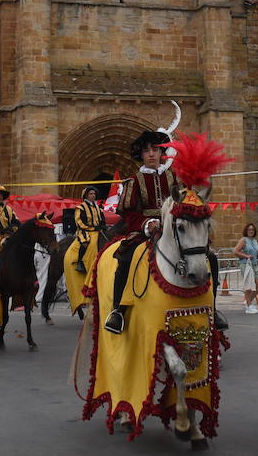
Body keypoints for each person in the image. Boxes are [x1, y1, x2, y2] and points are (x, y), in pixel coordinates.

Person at [103, 128, 178, 335]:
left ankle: (212, 308)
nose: (151, 154)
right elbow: (128, 214)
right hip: (144, 231)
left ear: (162, 153)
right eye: (147, 151)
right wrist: (148, 224)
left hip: (174, 229)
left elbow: (184, 203)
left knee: (208, 256)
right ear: (141, 155)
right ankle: (117, 311)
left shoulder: (174, 178)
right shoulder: (134, 181)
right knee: (125, 258)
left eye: (155, 149)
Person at [71, 186, 105, 275]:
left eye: (94, 194)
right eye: (91, 194)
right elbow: (79, 222)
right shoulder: (81, 207)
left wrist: (102, 226)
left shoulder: (98, 207)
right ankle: (80, 263)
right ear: (86, 195)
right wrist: (93, 228)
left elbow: (102, 219)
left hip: (97, 230)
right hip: (85, 231)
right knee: (86, 242)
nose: (93, 195)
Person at [234, 223, 258, 314]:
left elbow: (256, 253)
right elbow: (235, 251)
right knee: (249, 286)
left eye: (252, 230)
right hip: (246, 265)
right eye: (249, 229)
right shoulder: (243, 240)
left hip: (254, 265)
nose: (251, 231)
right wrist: (246, 255)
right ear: (246, 231)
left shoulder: (255, 241)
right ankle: (248, 306)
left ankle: (248, 302)